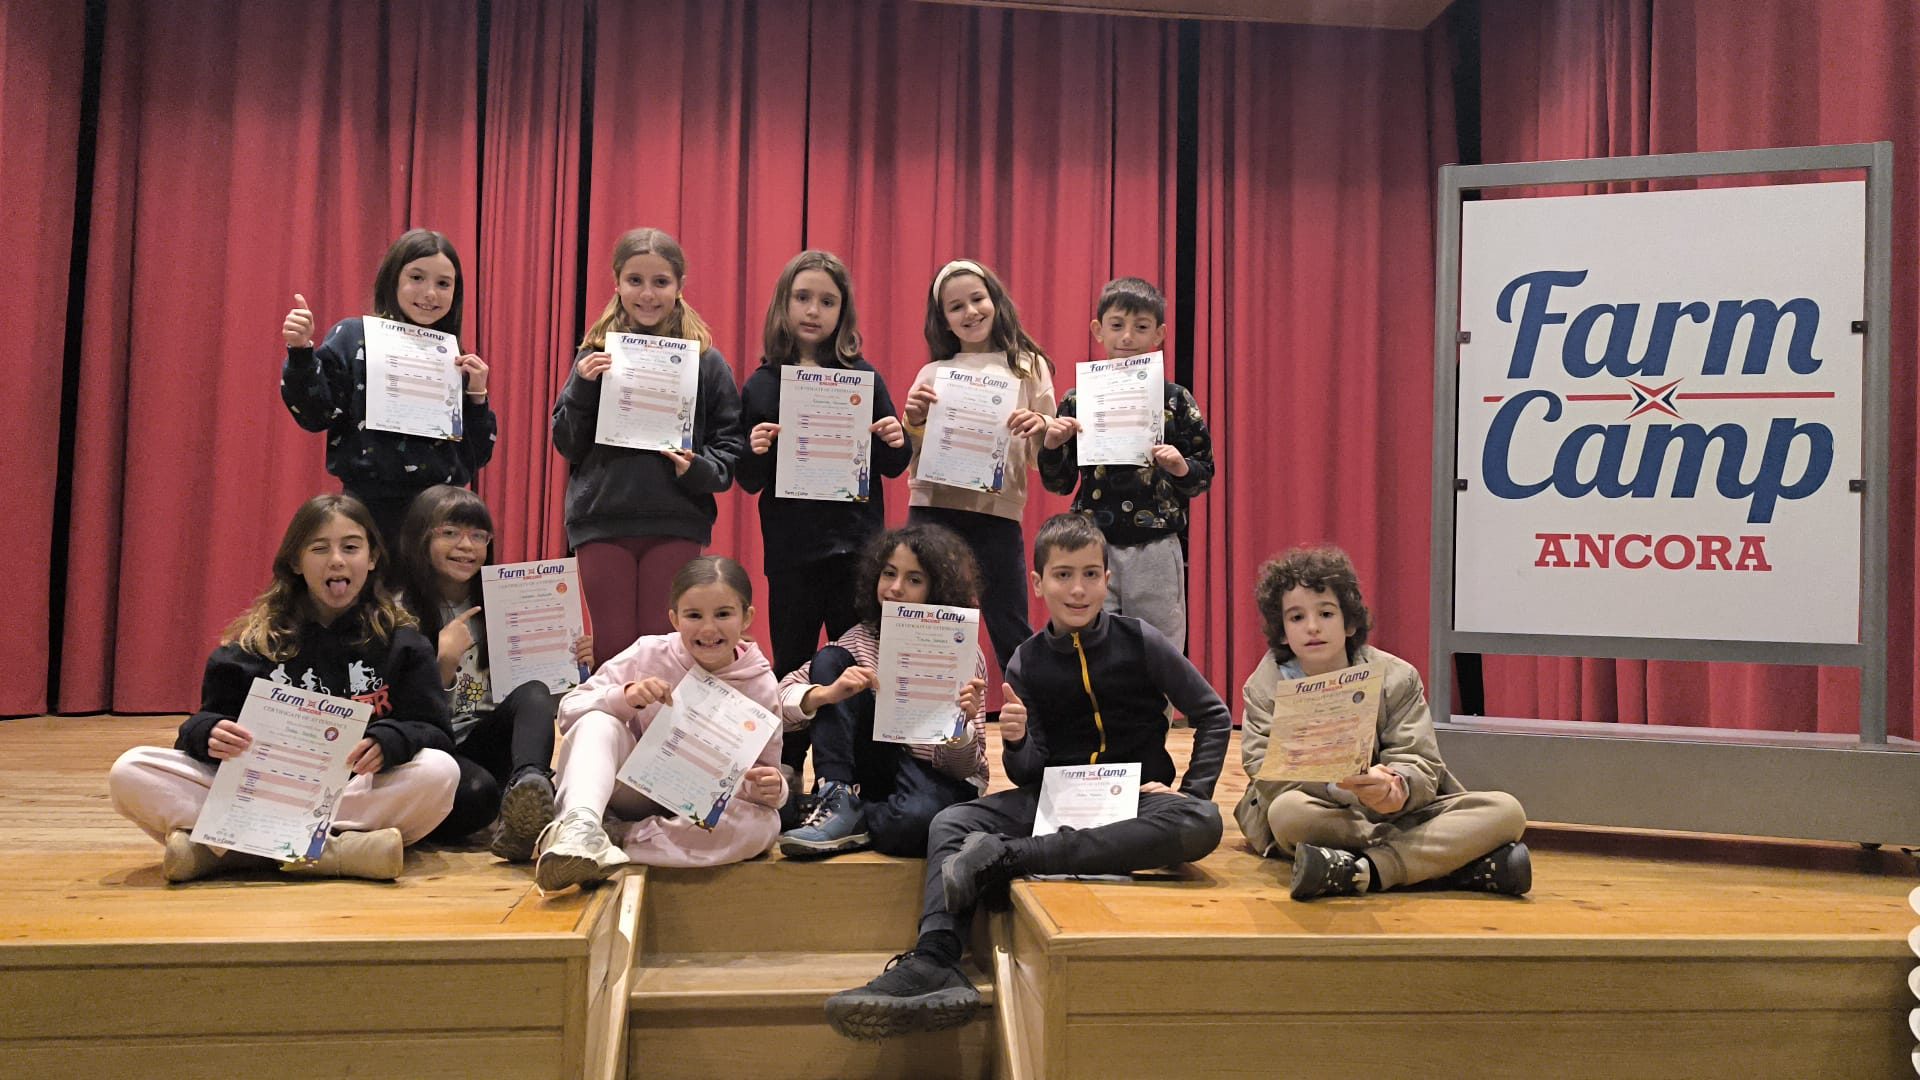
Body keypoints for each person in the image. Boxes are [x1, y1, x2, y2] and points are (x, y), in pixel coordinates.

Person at [823, 514, 1228, 1040]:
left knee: (1201, 819)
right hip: (1054, 801)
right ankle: (935, 957)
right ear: (1037, 584)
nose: (1077, 589)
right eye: (1063, 575)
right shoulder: (1025, 661)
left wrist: (1190, 791)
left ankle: (1013, 858)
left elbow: (1213, 714)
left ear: (1107, 579)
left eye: (1090, 575)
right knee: (951, 821)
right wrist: (1016, 742)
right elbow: (1027, 771)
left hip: (1132, 800)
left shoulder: (1141, 640)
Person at [106, 494, 459, 882]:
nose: (336, 560)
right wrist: (208, 732)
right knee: (131, 770)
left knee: (439, 772)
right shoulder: (252, 645)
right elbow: (202, 726)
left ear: (372, 558)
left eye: (351, 547)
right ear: (295, 562)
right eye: (319, 548)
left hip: (349, 792)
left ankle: (230, 853)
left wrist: (392, 740)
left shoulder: (403, 643)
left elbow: (435, 733)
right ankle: (340, 853)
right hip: (261, 792)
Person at [1236, 544, 1531, 900]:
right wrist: (1339, 789)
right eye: (1296, 617)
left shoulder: (1397, 677)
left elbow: (1420, 759)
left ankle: (1359, 870)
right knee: (1287, 813)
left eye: (1326, 613)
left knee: (1506, 811)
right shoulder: (1265, 686)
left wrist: (1395, 788)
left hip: (1398, 812)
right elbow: (1266, 772)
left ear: (1350, 622)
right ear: (1282, 631)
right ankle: (1444, 862)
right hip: (1326, 814)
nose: (1312, 627)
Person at [736, 250, 915, 784]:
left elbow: (892, 463)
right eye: (803, 298)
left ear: (844, 312)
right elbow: (748, 477)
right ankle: (788, 769)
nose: (814, 310)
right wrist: (756, 448)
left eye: (827, 301)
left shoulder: (863, 377)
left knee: (857, 664)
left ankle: (854, 775)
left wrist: (896, 437)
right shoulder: (763, 384)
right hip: (793, 552)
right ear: (784, 305)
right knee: (793, 659)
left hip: (858, 552)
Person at [551, 228, 746, 660]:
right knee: (614, 650)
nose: (647, 294)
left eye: (660, 282)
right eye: (635, 280)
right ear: (617, 283)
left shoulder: (707, 362)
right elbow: (567, 444)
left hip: (675, 519)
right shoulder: (593, 356)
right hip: (601, 519)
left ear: (679, 286)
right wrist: (583, 387)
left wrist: (696, 468)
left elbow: (730, 448)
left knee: (664, 650)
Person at [534, 557, 785, 892]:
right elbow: (570, 711)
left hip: (698, 809)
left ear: (747, 617)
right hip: (631, 791)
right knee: (597, 721)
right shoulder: (649, 652)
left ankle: (614, 839)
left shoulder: (762, 684)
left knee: (762, 826)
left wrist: (773, 788)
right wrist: (625, 697)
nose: (708, 629)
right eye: (694, 615)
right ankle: (581, 825)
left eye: (723, 614)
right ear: (674, 619)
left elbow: (764, 774)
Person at [392, 485, 594, 860]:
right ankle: (507, 812)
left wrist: (572, 662)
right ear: (420, 538)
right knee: (478, 794)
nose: (466, 546)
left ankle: (530, 785)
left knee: (534, 691)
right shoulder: (397, 612)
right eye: (450, 533)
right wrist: (443, 664)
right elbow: (402, 712)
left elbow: (536, 698)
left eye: (478, 536)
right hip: (430, 753)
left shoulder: (502, 599)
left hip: (486, 741)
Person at [774, 524, 989, 859]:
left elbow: (963, 770)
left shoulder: (962, 652)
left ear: (936, 589)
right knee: (830, 660)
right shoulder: (860, 638)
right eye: (889, 573)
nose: (895, 588)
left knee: (913, 824)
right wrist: (826, 694)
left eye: (914, 579)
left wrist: (960, 729)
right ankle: (837, 795)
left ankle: (847, 815)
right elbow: (778, 699)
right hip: (876, 768)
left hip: (932, 777)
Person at [280, 229, 497, 545]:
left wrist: (477, 396)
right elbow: (315, 414)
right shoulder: (354, 336)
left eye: (443, 284)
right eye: (417, 278)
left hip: (439, 518)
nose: (430, 294)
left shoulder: (455, 360)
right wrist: (300, 351)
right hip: (367, 510)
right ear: (392, 279)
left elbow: (476, 456)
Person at [1037, 277, 1213, 650]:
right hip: (1092, 547)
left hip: (1156, 544)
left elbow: (1204, 475)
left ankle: (1157, 695)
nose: (1128, 337)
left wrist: (1180, 467)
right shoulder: (1077, 400)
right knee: (1091, 643)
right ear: (1098, 330)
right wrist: (1052, 445)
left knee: (1160, 647)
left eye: (1141, 327)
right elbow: (1059, 483)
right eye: (1117, 325)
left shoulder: (1176, 400)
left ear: (1159, 334)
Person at [902, 259, 1056, 669]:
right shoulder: (932, 373)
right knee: (925, 624)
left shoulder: (1028, 366)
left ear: (995, 300)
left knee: (1010, 626)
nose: (970, 312)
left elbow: (1045, 455)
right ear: (943, 320)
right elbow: (908, 456)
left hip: (996, 514)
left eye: (977, 299)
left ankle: (1024, 711)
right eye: (956, 307)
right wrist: (913, 420)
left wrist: (1042, 425)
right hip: (932, 510)